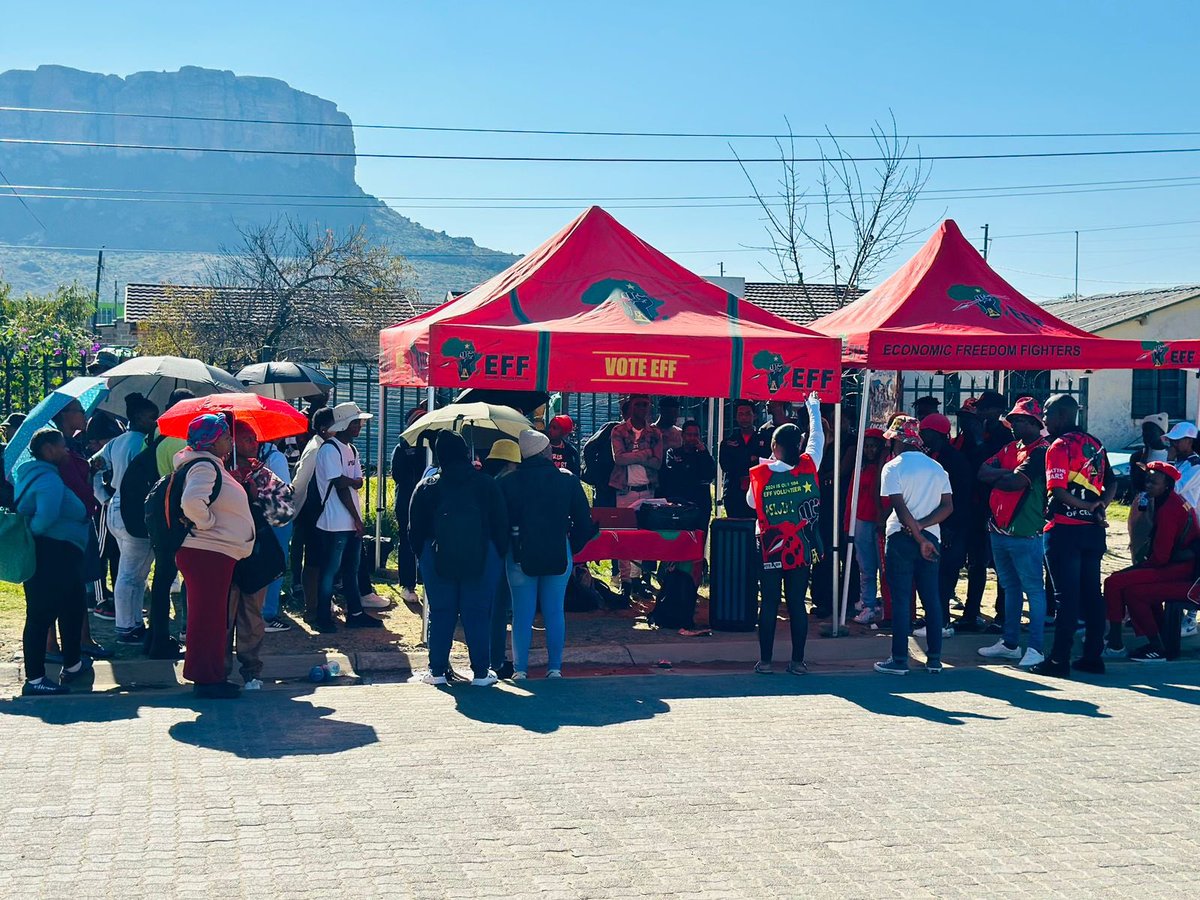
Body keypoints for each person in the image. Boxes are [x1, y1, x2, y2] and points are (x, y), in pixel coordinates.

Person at [408, 431, 509, 686]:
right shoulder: (486, 483)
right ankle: (482, 673)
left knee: (441, 612)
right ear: (465, 452)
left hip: (437, 555)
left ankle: (437, 670)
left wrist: (423, 554)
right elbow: (501, 525)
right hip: (482, 555)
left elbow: (413, 529)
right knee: (477, 613)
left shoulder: (427, 487)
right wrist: (498, 554)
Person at [1029, 394, 1116, 679]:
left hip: (1065, 530)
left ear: (1062, 416)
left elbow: (1058, 491)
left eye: (1047, 413)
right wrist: (1099, 506)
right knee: (1092, 594)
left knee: (1065, 597)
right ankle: (1093, 657)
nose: (1043, 419)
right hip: (1092, 532)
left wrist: (1088, 506)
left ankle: (1059, 660)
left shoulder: (1059, 446)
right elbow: (1113, 483)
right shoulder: (1096, 443)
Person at [500, 429, 594, 679]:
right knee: (554, 610)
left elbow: (499, 523)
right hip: (558, 549)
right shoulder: (567, 480)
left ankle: (520, 670)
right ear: (545, 451)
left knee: (522, 612)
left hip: (519, 552)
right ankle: (555, 667)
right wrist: (571, 547)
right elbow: (585, 523)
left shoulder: (508, 482)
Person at [174, 414, 255, 699]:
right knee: (208, 618)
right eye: (225, 436)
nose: (230, 441)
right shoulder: (205, 465)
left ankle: (208, 675)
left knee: (209, 616)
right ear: (212, 440)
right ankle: (207, 679)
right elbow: (192, 502)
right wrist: (207, 523)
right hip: (207, 551)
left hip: (211, 553)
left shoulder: (207, 464)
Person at [747, 393, 824, 676]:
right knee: (796, 602)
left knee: (768, 602)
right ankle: (798, 662)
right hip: (801, 543)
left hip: (770, 544)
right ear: (799, 445)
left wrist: (769, 466)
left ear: (774, 446)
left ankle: (765, 661)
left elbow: (751, 504)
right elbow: (818, 439)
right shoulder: (809, 465)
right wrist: (813, 409)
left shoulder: (762, 473)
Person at [15, 428, 93, 696]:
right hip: (52, 553)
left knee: (73, 606)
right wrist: (36, 535)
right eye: (62, 446)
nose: (66, 451)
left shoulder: (39, 474)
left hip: (61, 552)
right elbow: (45, 518)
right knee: (40, 615)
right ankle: (35, 679)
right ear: (48, 449)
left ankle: (72, 665)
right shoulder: (47, 480)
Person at [873, 416, 954, 676]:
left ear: (897, 440)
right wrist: (923, 529)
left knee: (901, 600)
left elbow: (897, 505)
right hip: (931, 538)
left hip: (901, 536)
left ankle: (899, 659)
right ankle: (934, 658)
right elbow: (947, 507)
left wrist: (915, 533)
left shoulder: (892, 467)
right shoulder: (937, 468)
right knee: (931, 598)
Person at [976, 398, 1050, 668]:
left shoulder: (1041, 451)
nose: (1013, 424)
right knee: (1010, 586)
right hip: (999, 528)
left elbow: (1016, 482)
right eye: (1013, 419)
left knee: (1033, 589)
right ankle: (1009, 643)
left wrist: (1002, 475)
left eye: (1019, 420)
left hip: (1026, 530)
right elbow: (982, 472)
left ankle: (1036, 647)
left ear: (1033, 423)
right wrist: (1004, 474)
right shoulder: (1010, 447)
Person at [1103, 462, 1196, 662]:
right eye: (1147, 480)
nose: (1148, 484)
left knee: (1114, 582)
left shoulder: (1170, 508)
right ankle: (1156, 642)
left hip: (1181, 570)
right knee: (1133, 590)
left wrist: (1135, 568)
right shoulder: (1169, 501)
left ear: (1167, 486)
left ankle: (1117, 643)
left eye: (1154, 481)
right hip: (1178, 566)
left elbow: (1161, 557)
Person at [227, 422, 293, 687]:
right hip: (224, 553)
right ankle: (219, 670)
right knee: (224, 615)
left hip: (254, 555)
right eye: (245, 439)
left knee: (252, 615)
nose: (253, 444)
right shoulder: (216, 471)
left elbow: (284, 513)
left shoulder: (262, 474)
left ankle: (251, 670)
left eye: (254, 438)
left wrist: (256, 498)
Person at [91, 392, 160, 644]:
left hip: (115, 508)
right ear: (139, 417)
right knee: (131, 574)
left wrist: (103, 496)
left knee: (134, 573)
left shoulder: (115, 443)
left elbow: (92, 467)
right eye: (153, 417)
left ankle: (133, 623)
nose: (157, 421)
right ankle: (125, 627)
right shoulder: (143, 443)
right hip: (135, 512)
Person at [313, 402, 381, 633]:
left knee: (351, 569)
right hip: (335, 522)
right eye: (355, 422)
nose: (359, 426)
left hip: (349, 521)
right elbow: (341, 485)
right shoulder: (330, 449)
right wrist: (357, 519)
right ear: (343, 424)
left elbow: (356, 481)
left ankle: (356, 613)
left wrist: (350, 481)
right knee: (330, 571)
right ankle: (322, 616)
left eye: (359, 422)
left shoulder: (351, 450)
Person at [145, 388, 196, 657]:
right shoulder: (180, 443)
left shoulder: (155, 436)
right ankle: (180, 631)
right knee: (188, 576)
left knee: (162, 580)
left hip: (159, 512)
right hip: (178, 516)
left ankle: (155, 636)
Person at [962, 390, 1013, 633]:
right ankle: (971, 613)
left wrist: (980, 442)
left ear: (996, 410)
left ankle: (1002, 615)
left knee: (1001, 563)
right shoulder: (975, 433)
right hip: (974, 506)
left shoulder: (1005, 435)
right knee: (975, 563)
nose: (979, 412)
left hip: (997, 507)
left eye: (984, 408)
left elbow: (996, 468)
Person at [920, 413, 973, 637]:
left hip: (952, 527)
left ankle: (941, 622)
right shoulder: (934, 455)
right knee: (935, 574)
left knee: (944, 575)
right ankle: (936, 617)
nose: (922, 436)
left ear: (935, 433)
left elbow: (961, 496)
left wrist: (951, 526)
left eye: (925, 432)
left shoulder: (954, 459)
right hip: (939, 525)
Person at [609, 394, 664, 595]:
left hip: (648, 491)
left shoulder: (655, 433)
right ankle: (625, 581)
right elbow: (619, 459)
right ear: (630, 407)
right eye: (637, 404)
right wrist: (644, 454)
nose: (642, 408)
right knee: (624, 537)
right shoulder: (619, 430)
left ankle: (638, 578)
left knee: (643, 537)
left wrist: (632, 456)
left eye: (645, 405)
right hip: (626, 490)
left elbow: (657, 463)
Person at [291, 407, 335, 620]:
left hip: (321, 511)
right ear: (325, 429)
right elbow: (300, 481)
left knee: (322, 560)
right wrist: (292, 508)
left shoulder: (324, 445)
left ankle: (320, 603)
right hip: (311, 512)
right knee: (313, 562)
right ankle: (312, 607)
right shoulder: (316, 448)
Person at [483, 439, 520, 677]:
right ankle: (496, 659)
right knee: (500, 608)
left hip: (485, 550)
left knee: (490, 608)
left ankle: (491, 658)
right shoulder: (508, 484)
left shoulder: (487, 483)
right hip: (503, 550)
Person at [1163, 420, 1200, 639]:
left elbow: (1173, 488)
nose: (1172, 444)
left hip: (1194, 525)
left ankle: (1191, 616)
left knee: (1195, 569)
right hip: (1182, 524)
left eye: (1176, 441)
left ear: (1188, 441)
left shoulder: (1195, 466)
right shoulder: (1182, 463)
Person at [389, 405, 429, 606]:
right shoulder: (402, 448)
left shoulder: (432, 446)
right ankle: (407, 584)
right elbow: (397, 475)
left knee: (428, 541)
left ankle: (426, 581)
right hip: (406, 500)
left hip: (427, 501)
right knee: (407, 541)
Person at [849, 428, 887, 625]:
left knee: (884, 566)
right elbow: (851, 497)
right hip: (862, 520)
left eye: (874, 446)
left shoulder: (886, 467)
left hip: (881, 521)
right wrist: (849, 522)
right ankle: (868, 604)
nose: (870, 450)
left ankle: (885, 606)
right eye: (867, 446)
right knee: (866, 566)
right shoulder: (860, 467)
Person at [259, 436, 295, 633]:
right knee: (277, 563)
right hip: (276, 514)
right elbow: (284, 489)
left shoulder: (242, 453)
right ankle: (268, 615)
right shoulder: (275, 456)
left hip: (255, 512)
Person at [660, 420, 717, 513]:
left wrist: (703, 453)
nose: (692, 438)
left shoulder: (704, 454)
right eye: (689, 435)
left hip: (700, 504)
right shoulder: (673, 453)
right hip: (680, 503)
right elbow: (673, 476)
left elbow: (710, 475)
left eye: (696, 435)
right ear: (682, 435)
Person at [719, 400, 758, 519]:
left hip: (756, 494)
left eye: (747, 414)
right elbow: (726, 466)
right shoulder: (728, 441)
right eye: (740, 414)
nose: (744, 417)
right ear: (736, 417)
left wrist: (740, 458)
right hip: (733, 493)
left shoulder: (764, 439)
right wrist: (750, 459)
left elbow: (765, 462)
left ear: (754, 416)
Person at [1127, 413, 1168, 502]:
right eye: (1144, 431)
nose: (1146, 434)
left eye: (1151, 431)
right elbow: (1137, 484)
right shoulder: (1137, 456)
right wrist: (1145, 454)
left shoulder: (1171, 455)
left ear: (1161, 433)